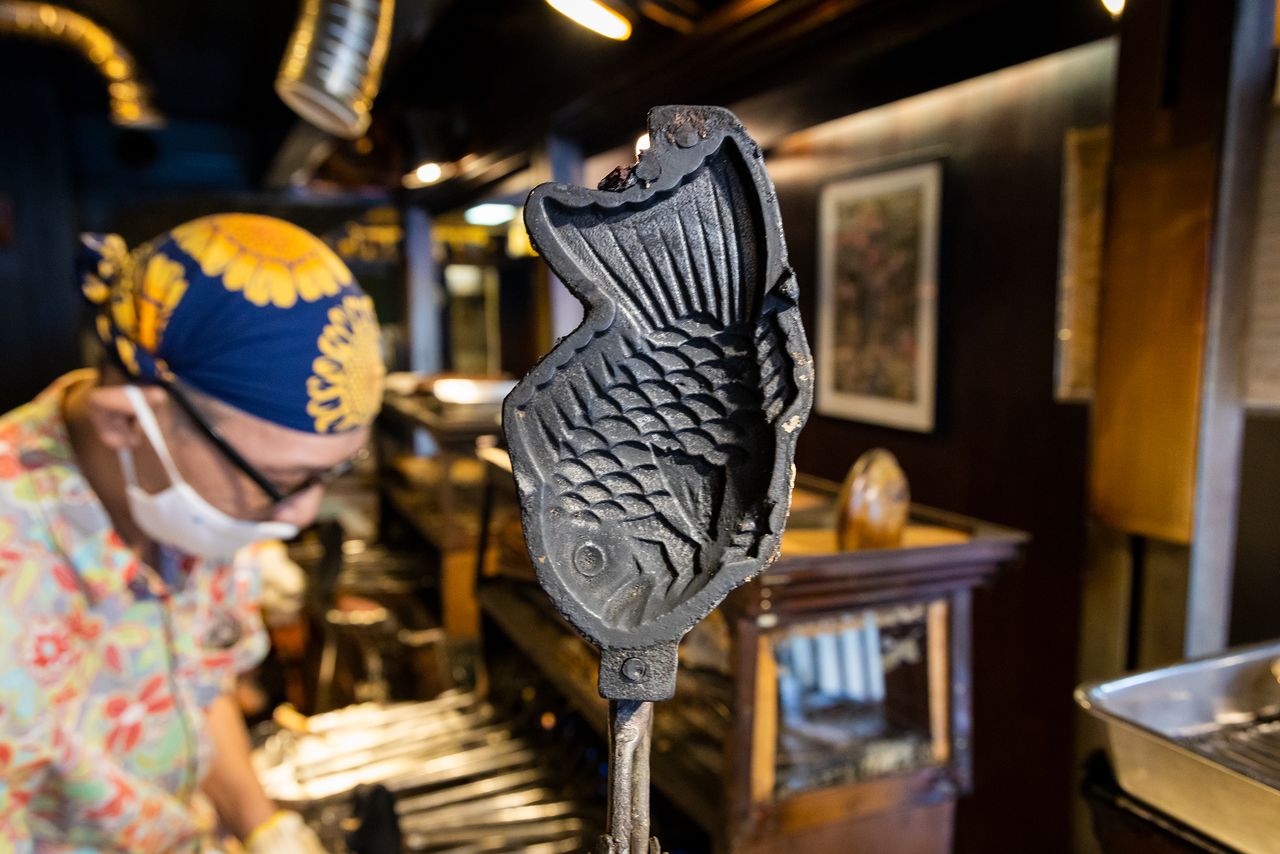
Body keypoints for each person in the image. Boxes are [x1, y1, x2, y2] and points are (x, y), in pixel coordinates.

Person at [0, 213, 386, 852]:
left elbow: (196, 686)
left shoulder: (185, 502)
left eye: (330, 473)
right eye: (280, 479)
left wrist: (262, 826)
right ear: (127, 423)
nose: (299, 514)